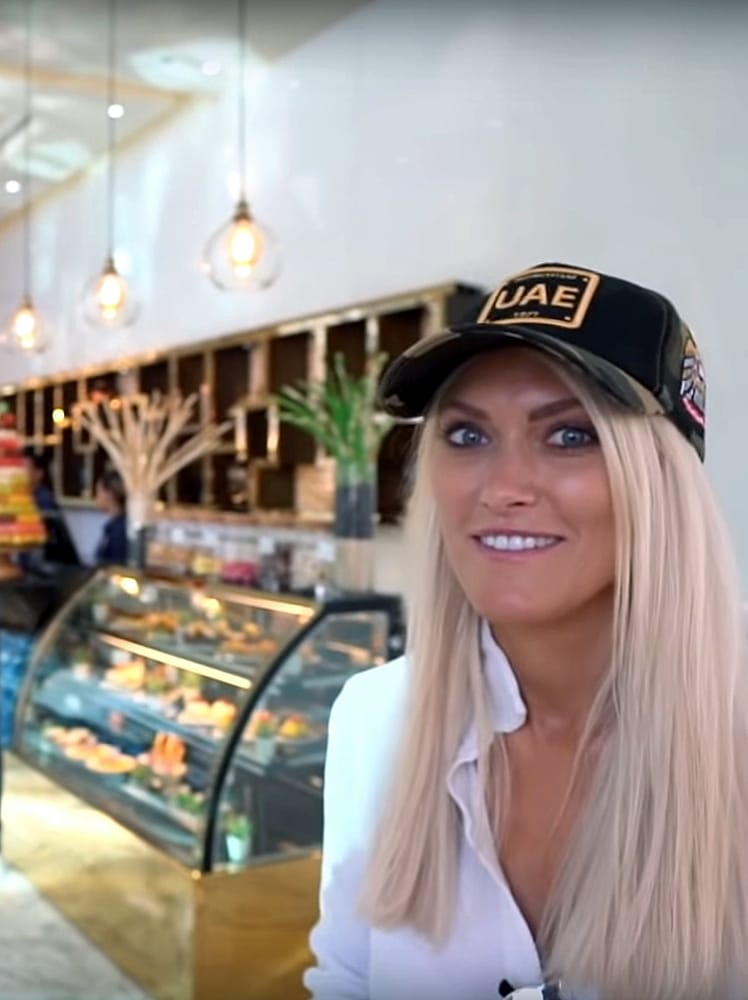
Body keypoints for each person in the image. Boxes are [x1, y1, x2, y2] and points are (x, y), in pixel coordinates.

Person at [304, 262, 747, 1000]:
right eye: (467, 434)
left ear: (660, 479)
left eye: (570, 435)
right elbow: (346, 979)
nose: (503, 488)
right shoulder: (377, 719)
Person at [93, 470, 129, 565]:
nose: (96, 497)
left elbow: (115, 566)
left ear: (109, 494)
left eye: (98, 491)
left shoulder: (119, 530)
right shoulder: (113, 526)